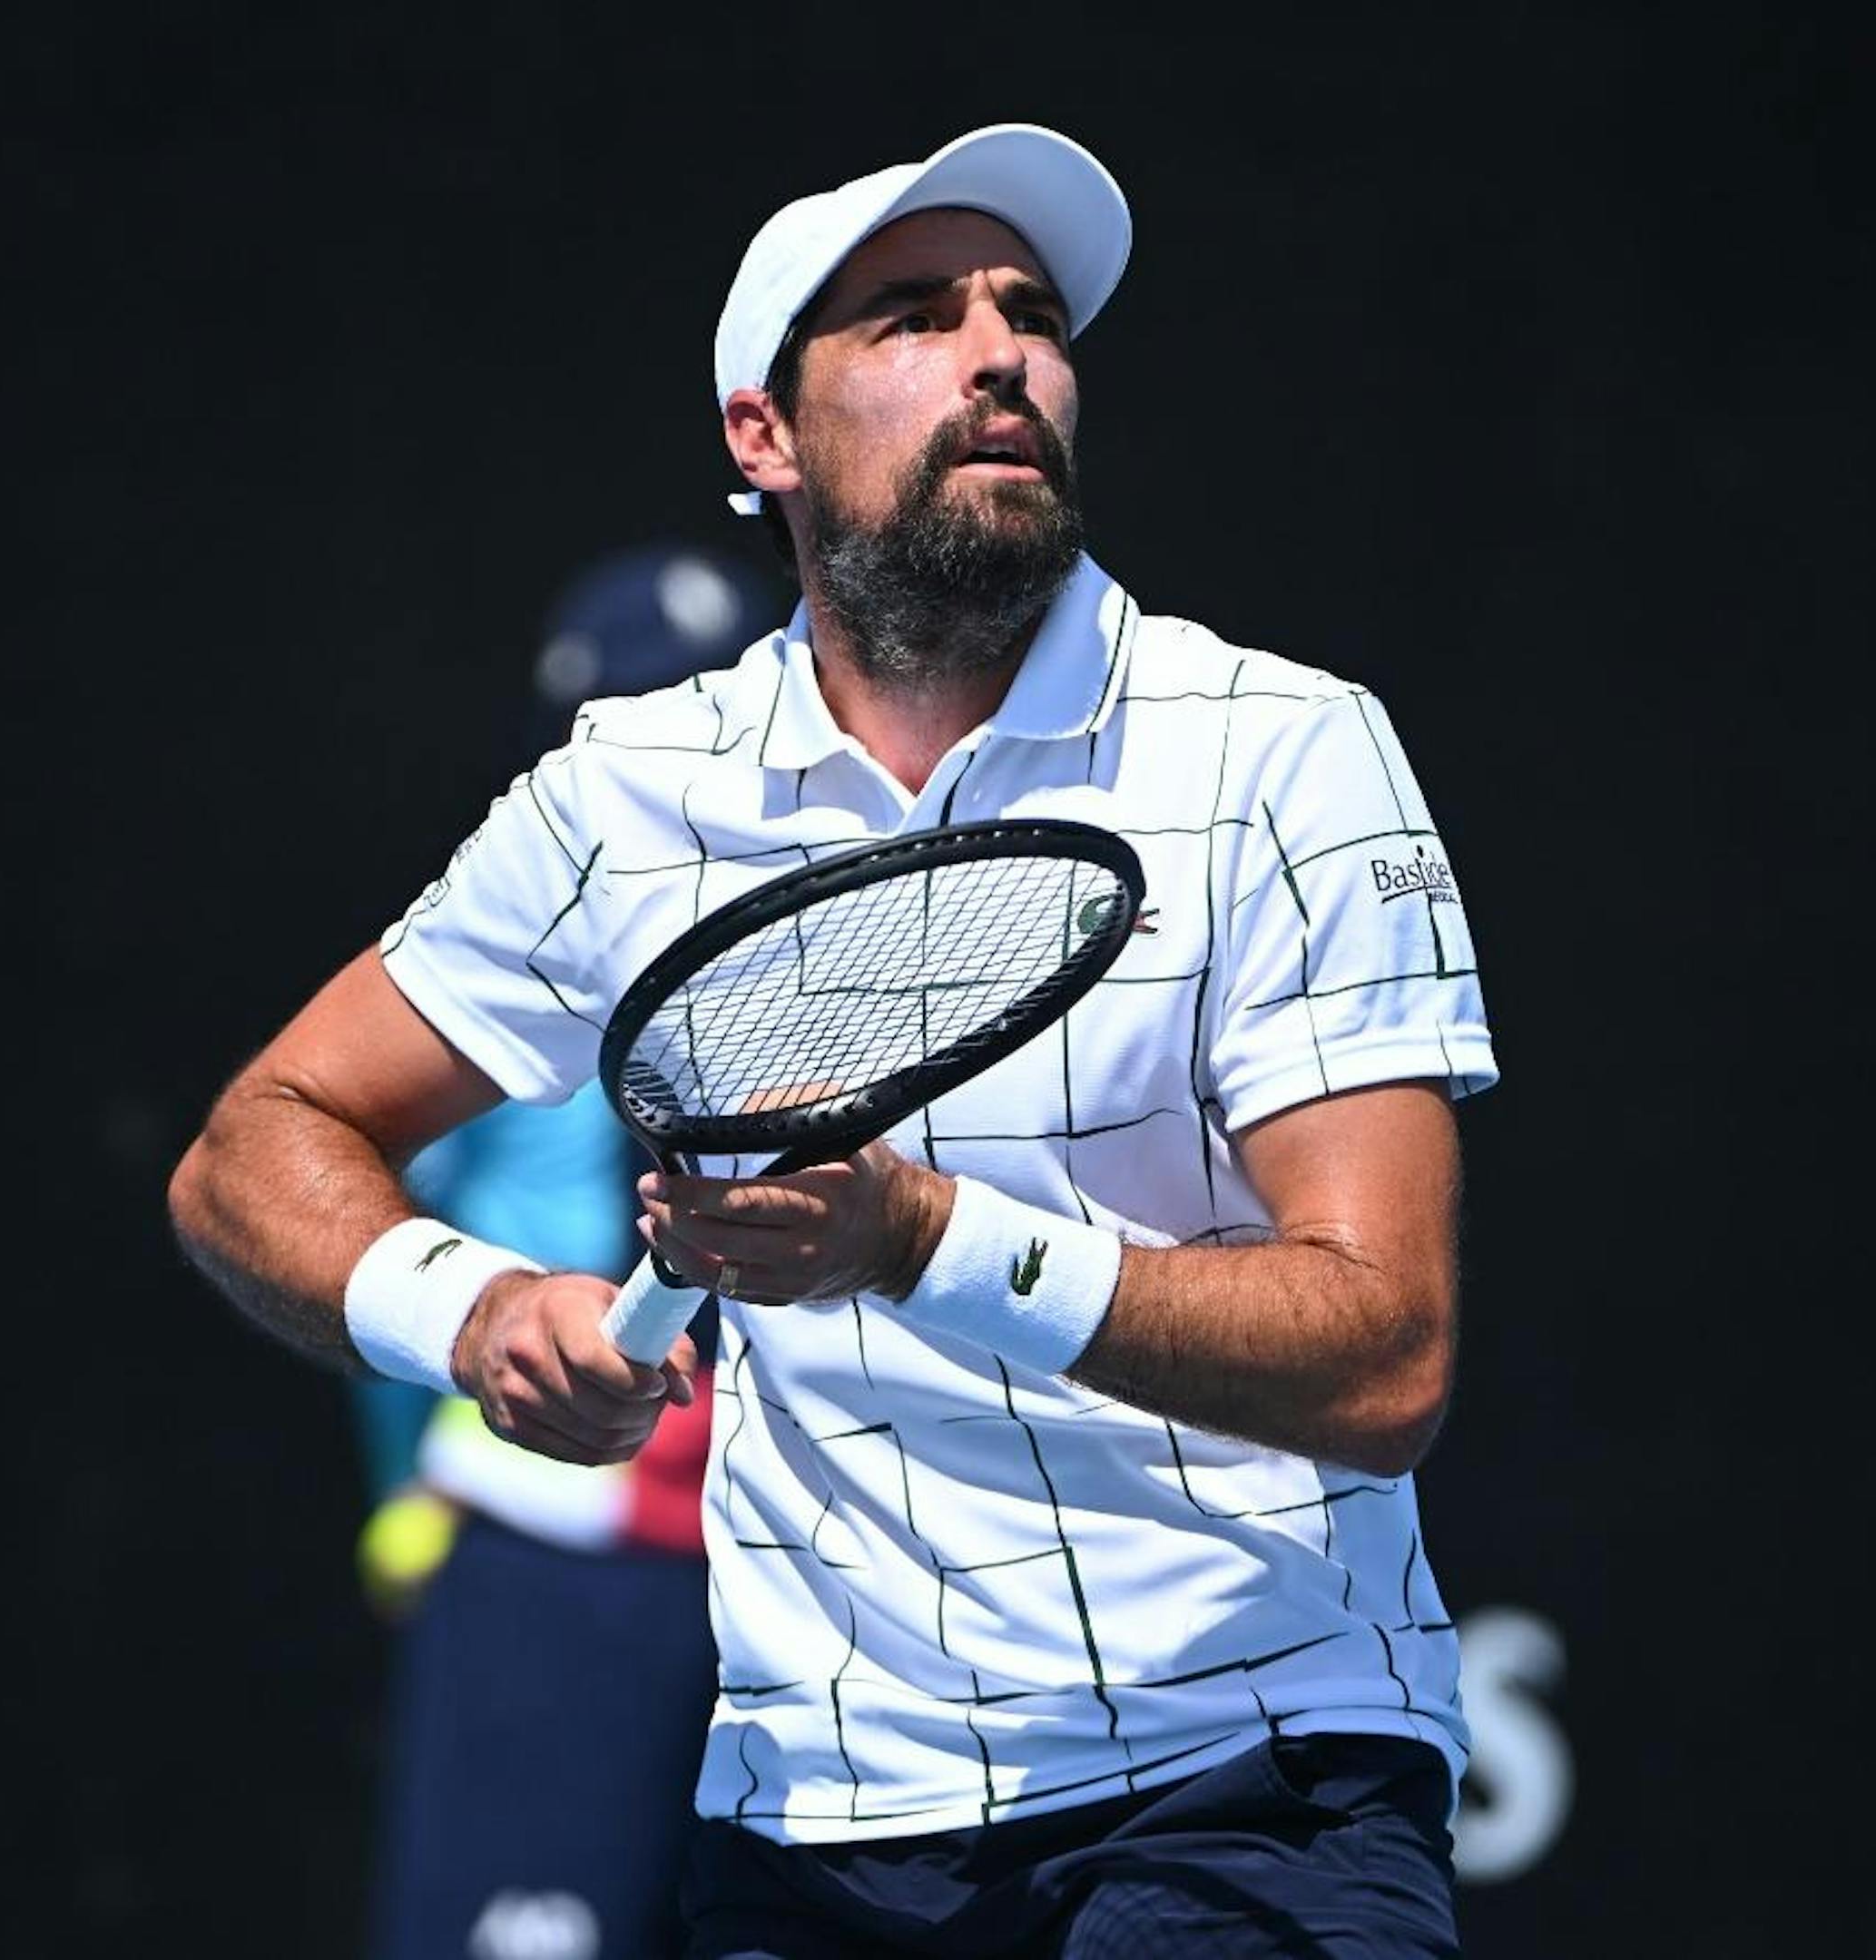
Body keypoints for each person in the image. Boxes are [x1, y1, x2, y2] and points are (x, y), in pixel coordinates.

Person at [172, 122, 1498, 1957]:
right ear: (763, 434)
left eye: (1030, 315)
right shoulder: (629, 798)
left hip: (1254, 1778)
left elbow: (1389, 1358)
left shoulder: (1286, 753)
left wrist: (926, 1239)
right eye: (910, 316)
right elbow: (258, 1143)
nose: (999, 354)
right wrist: (475, 1318)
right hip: (818, 1832)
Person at [347, 541, 777, 1960]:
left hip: (817, 1561)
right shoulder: (488, 946)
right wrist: (409, 1481)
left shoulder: (868, 951)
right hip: (554, 1533)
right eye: (646, 729)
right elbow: (358, 1196)